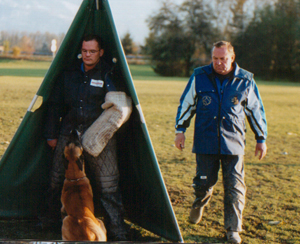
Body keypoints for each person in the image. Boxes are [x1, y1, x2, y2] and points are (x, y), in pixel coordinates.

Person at [174, 41, 267, 244]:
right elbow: (187, 104)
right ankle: (200, 201)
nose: (219, 63)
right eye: (215, 58)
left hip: (233, 143)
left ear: (232, 58)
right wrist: (180, 130)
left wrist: (261, 138)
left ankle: (233, 230)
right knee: (203, 183)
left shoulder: (246, 80)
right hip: (205, 141)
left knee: (235, 187)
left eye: (223, 59)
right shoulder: (199, 77)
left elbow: (255, 111)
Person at [43, 34, 128, 241]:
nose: (87, 55)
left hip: (100, 134)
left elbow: (120, 106)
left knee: (108, 185)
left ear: (101, 52)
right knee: (56, 180)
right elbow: (55, 105)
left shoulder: (110, 73)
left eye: (92, 51)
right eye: (84, 51)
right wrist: (52, 134)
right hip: (69, 130)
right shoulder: (69, 72)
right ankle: (48, 224)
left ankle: (117, 231)